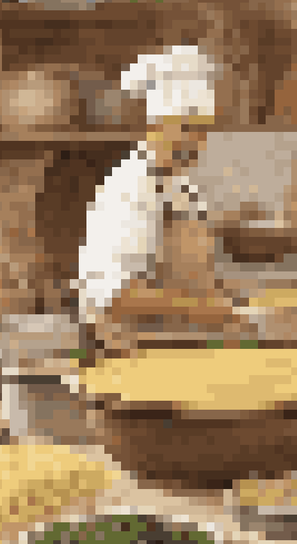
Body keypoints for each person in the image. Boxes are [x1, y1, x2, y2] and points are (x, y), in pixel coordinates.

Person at [75, 46, 216, 352]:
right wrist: (207, 308)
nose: (194, 142)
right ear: (153, 128)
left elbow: (192, 275)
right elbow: (119, 296)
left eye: (203, 131)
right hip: (128, 349)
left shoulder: (182, 187)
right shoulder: (128, 190)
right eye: (186, 129)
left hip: (177, 346)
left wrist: (225, 301)